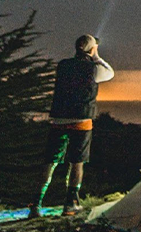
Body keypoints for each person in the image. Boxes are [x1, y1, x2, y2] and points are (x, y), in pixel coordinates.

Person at [28, 34, 114, 217]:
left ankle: (35, 204)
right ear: (91, 49)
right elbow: (110, 72)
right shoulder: (93, 69)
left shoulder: (63, 65)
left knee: (49, 162)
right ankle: (70, 204)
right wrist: (96, 55)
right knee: (77, 162)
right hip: (81, 120)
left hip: (59, 119)